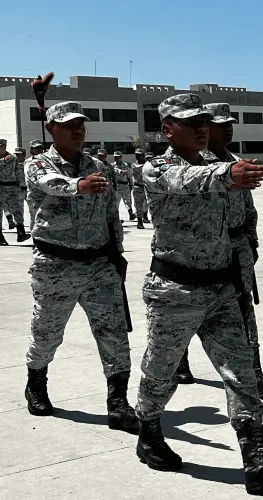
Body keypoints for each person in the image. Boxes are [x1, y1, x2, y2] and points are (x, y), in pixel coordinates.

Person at [133, 94, 263, 493]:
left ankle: (255, 459)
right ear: (168, 129)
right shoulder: (156, 168)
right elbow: (185, 181)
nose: (202, 127)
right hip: (174, 290)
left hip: (221, 288)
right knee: (162, 371)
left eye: (205, 120)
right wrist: (228, 175)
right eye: (192, 122)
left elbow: (241, 215)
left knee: (241, 374)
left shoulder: (219, 166)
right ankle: (149, 432)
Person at [23, 101, 138, 435]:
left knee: (115, 336)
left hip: (99, 265)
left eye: (81, 125)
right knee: (46, 334)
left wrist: (118, 253)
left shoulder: (98, 166)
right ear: (51, 129)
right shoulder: (37, 164)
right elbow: (50, 183)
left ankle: (118, 404)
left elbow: (111, 213)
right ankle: (36, 383)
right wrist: (79, 186)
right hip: (55, 264)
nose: (77, 131)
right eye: (69, 125)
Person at [200, 101, 263, 398]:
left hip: (236, 248)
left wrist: (251, 241)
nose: (229, 128)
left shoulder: (237, 162)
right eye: (222, 124)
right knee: (193, 313)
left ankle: (255, 372)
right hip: (204, 252)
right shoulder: (196, 164)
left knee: (245, 309)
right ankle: (179, 362)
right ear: (206, 128)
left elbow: (249, 209)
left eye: (230, 123)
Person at [0, 139, 30, 242]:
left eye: (3, 145)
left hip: (12, 187)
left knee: (17, 209)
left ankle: (21, 232)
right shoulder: (7, 158)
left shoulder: (13, 158)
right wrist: (4, 160)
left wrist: (19, 183)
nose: (2, 147)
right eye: (0, 146)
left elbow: (17, 171)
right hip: (0, 187)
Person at [113, 151, 136, 221]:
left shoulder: (126, 165)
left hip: (125, 185)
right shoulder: (112, 165)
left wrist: (131, 185)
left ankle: (131, 214)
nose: (116, 158)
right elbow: (114, 171)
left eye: (117, 157)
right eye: (115, 157)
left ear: (121, 157)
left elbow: (129, 176)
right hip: (117, 185)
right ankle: (116, 218)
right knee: (116, 202)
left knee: (128, 202)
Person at [27, 140, 45, 230]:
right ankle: (35, 240)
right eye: (37, 148)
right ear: (32, 149)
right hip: (35, 195)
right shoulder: (29, 162)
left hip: (46, 195)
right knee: (35, 219)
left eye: (41, 148)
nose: (39, 150)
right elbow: (32, 179)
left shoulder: (47, 160)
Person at [132, 148, 150, 229]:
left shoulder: (149, 164)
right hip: (138, 187)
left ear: (143, 156)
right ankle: (139, 222)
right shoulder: (134, 165)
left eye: (139, 155)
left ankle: (147, 218)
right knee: (138, 205)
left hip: (147, 188)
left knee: (150, 205)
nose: (137, 156)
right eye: (136, 155)